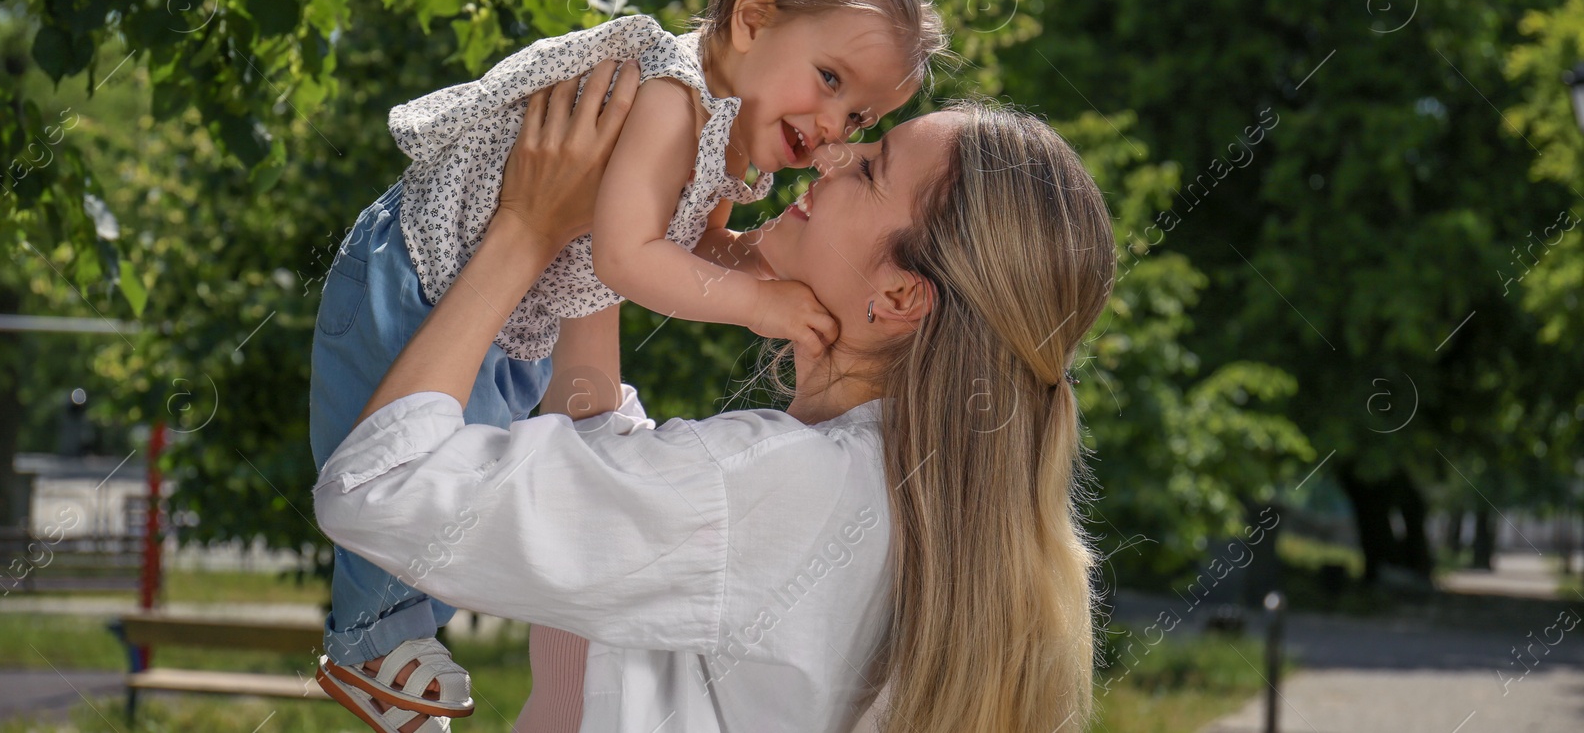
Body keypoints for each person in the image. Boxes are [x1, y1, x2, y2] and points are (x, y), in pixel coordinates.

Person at [309, 0, 947, 728]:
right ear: (753, 21)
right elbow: (626, 259)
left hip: (507, 308)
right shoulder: (672, 100)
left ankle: (387, 634)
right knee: (397, 445)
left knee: (465, 459)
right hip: (417, 267)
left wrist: (756, 260)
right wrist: (762, 297)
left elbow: (697, 250)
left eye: (863, 122)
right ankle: (367, 643)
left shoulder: (732, 143)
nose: (834, 132)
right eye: (831, 82)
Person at [314, 62, 1116, 733]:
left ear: (901, 297)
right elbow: (607, 476)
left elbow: (379, 492)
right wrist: (615, 222)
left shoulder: (785, 485)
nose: (833, 153)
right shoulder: (904, 494)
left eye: (871, 168)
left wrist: (523, 228)